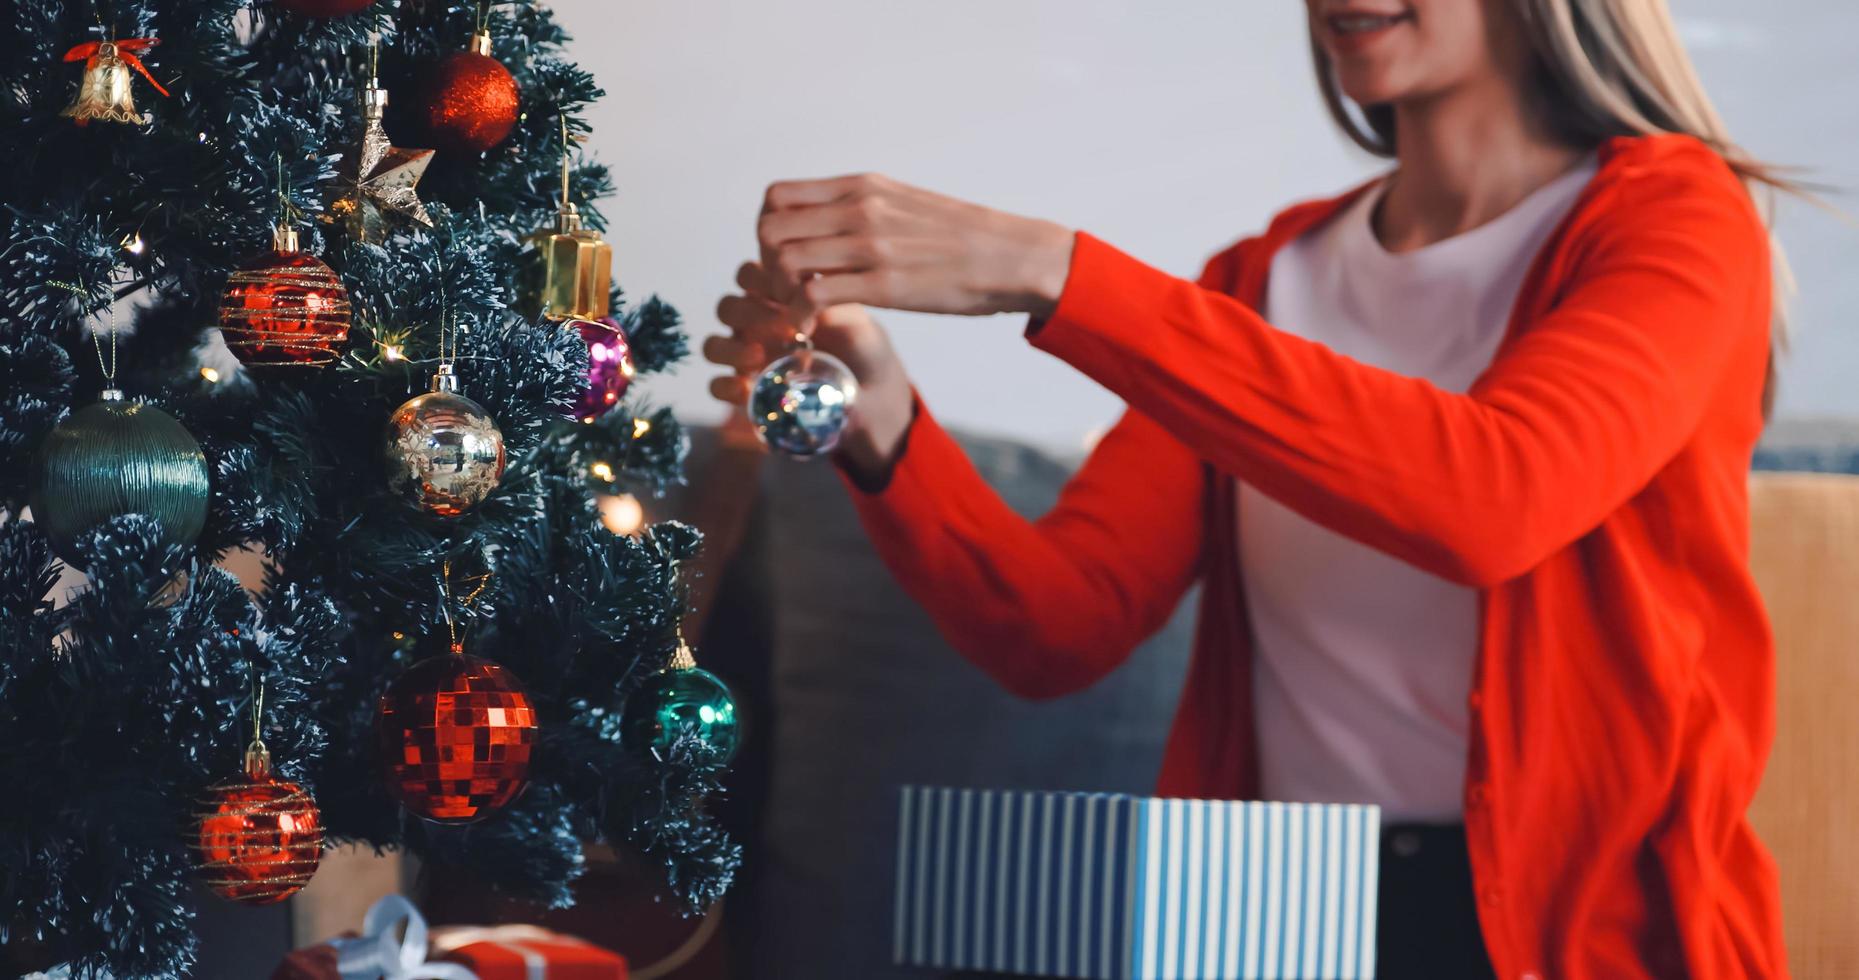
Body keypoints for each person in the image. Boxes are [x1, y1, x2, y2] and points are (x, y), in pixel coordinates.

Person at [706, 1, 1790, 976]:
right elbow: (1052, 622)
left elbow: (1489, 498)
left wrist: (1053, 268)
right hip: (1273, 915)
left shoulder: (1674, 218)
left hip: (1591, 933)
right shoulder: (1263, 280)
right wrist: (878, 415)